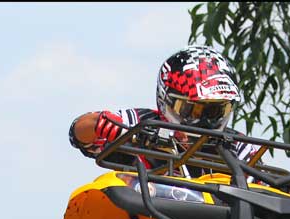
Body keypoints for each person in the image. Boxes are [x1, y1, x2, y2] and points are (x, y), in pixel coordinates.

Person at [68, 45, 257, 177]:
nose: (205, 120)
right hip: (148, 216)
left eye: (216, 110)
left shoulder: (237, 146)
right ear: (167, 100)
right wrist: (100, 123)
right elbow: (79, 134)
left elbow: (266, 188)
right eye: (193, 109)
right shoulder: (143, 123)